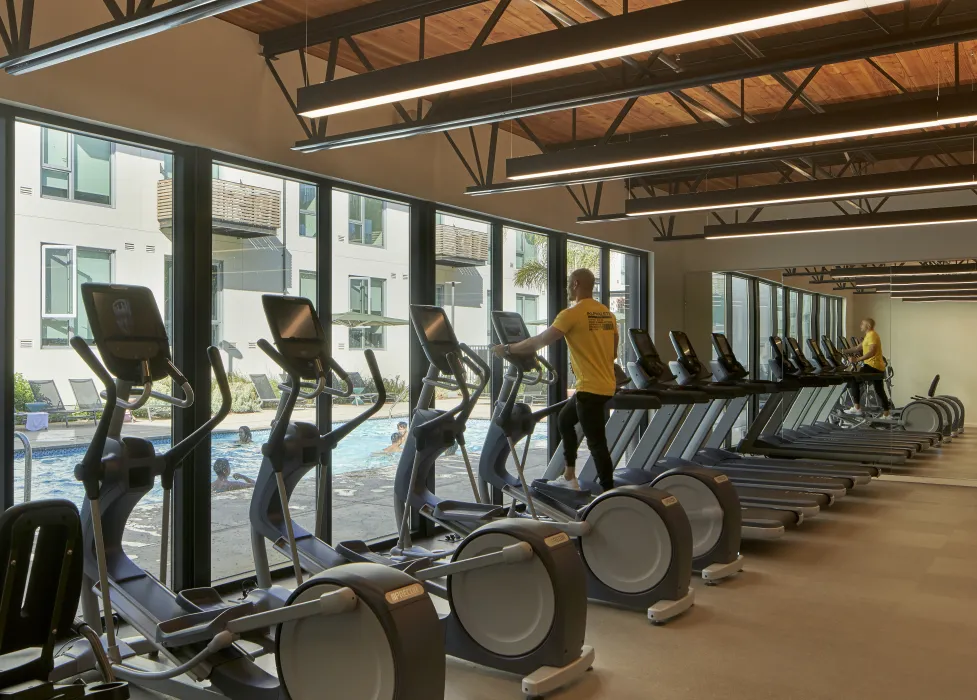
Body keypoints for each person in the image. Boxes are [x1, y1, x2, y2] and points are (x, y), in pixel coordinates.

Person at [493, 268, 618, 493]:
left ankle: (610, 495)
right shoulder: (607, 314)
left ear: (576, 283)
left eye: (569, 282)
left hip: (589, 388)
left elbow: (539, 341)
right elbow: (613, 351)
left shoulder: (572, 314)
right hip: (604, 385)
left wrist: (507, 349)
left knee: (597, 443)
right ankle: (569, 475)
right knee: (564, 420)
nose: (568, 287)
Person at [840, 317, 891, 419]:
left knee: (854, 379)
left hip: (872, 365)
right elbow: (858, 348)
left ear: (868, 326)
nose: (860, 326)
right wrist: (842, 351)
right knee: (879, 390)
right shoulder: (869, 335)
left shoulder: (872, 335)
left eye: (862, 324)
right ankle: (887, 414)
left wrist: (857, 360)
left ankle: (857, 408)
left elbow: (871, 352)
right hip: (876, 366)